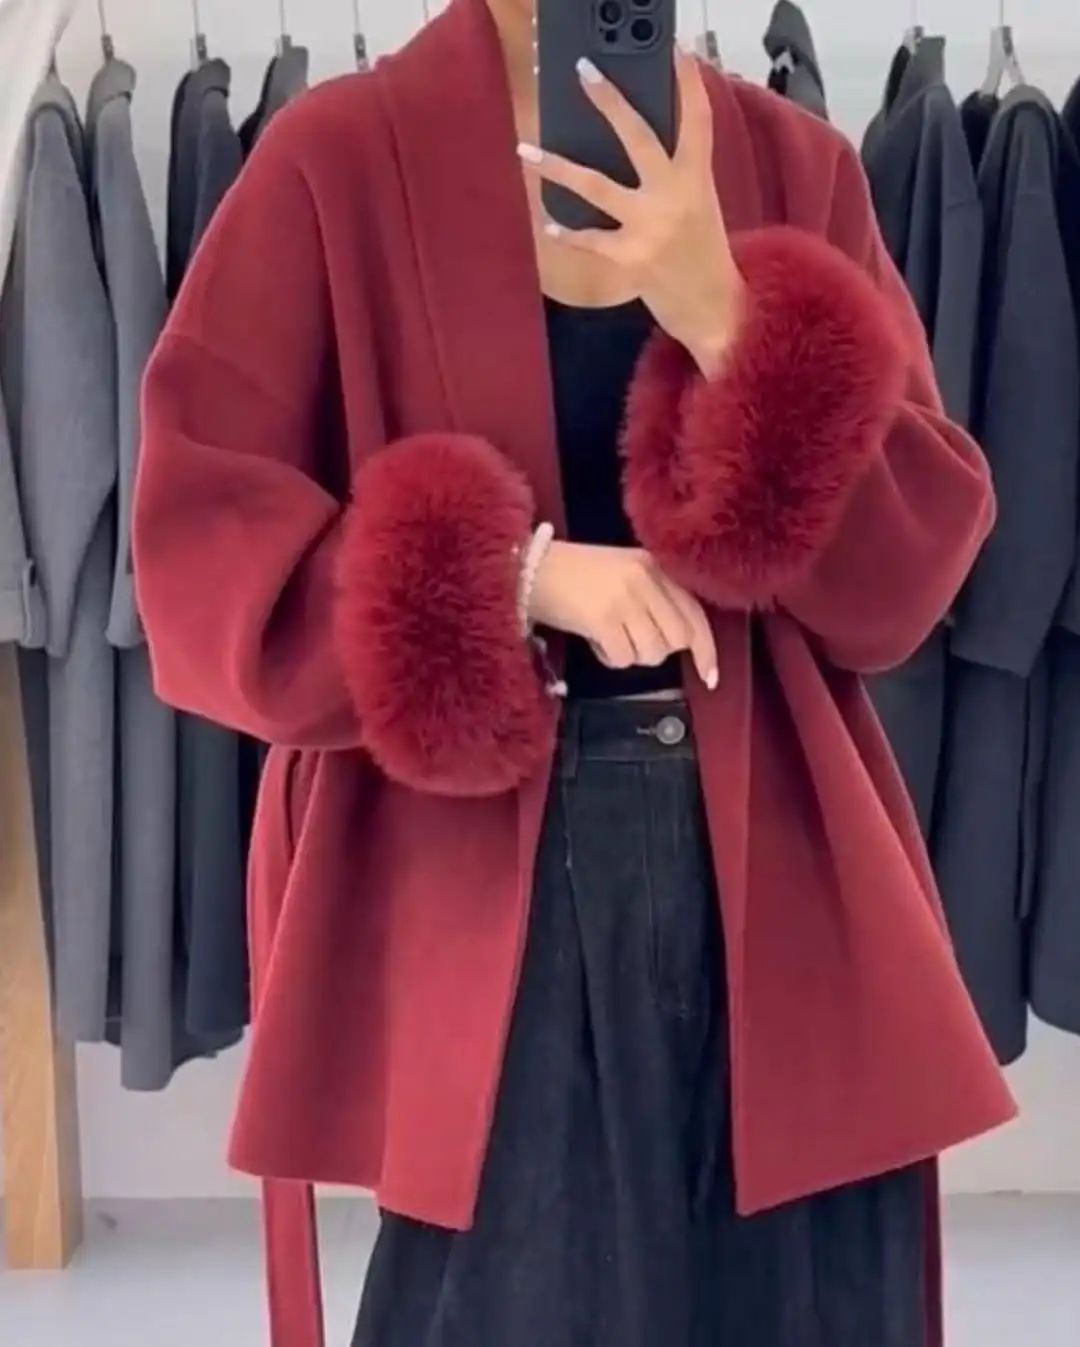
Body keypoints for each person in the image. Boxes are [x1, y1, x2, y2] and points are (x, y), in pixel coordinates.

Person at [134, 1, 1016, 1344]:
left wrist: (725, 312)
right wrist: (510, 576)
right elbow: (198, 561)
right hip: (486, 883)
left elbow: (904, 583)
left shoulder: (792, 162)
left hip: (774, 868)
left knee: (802, 1302)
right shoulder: (335, 162)